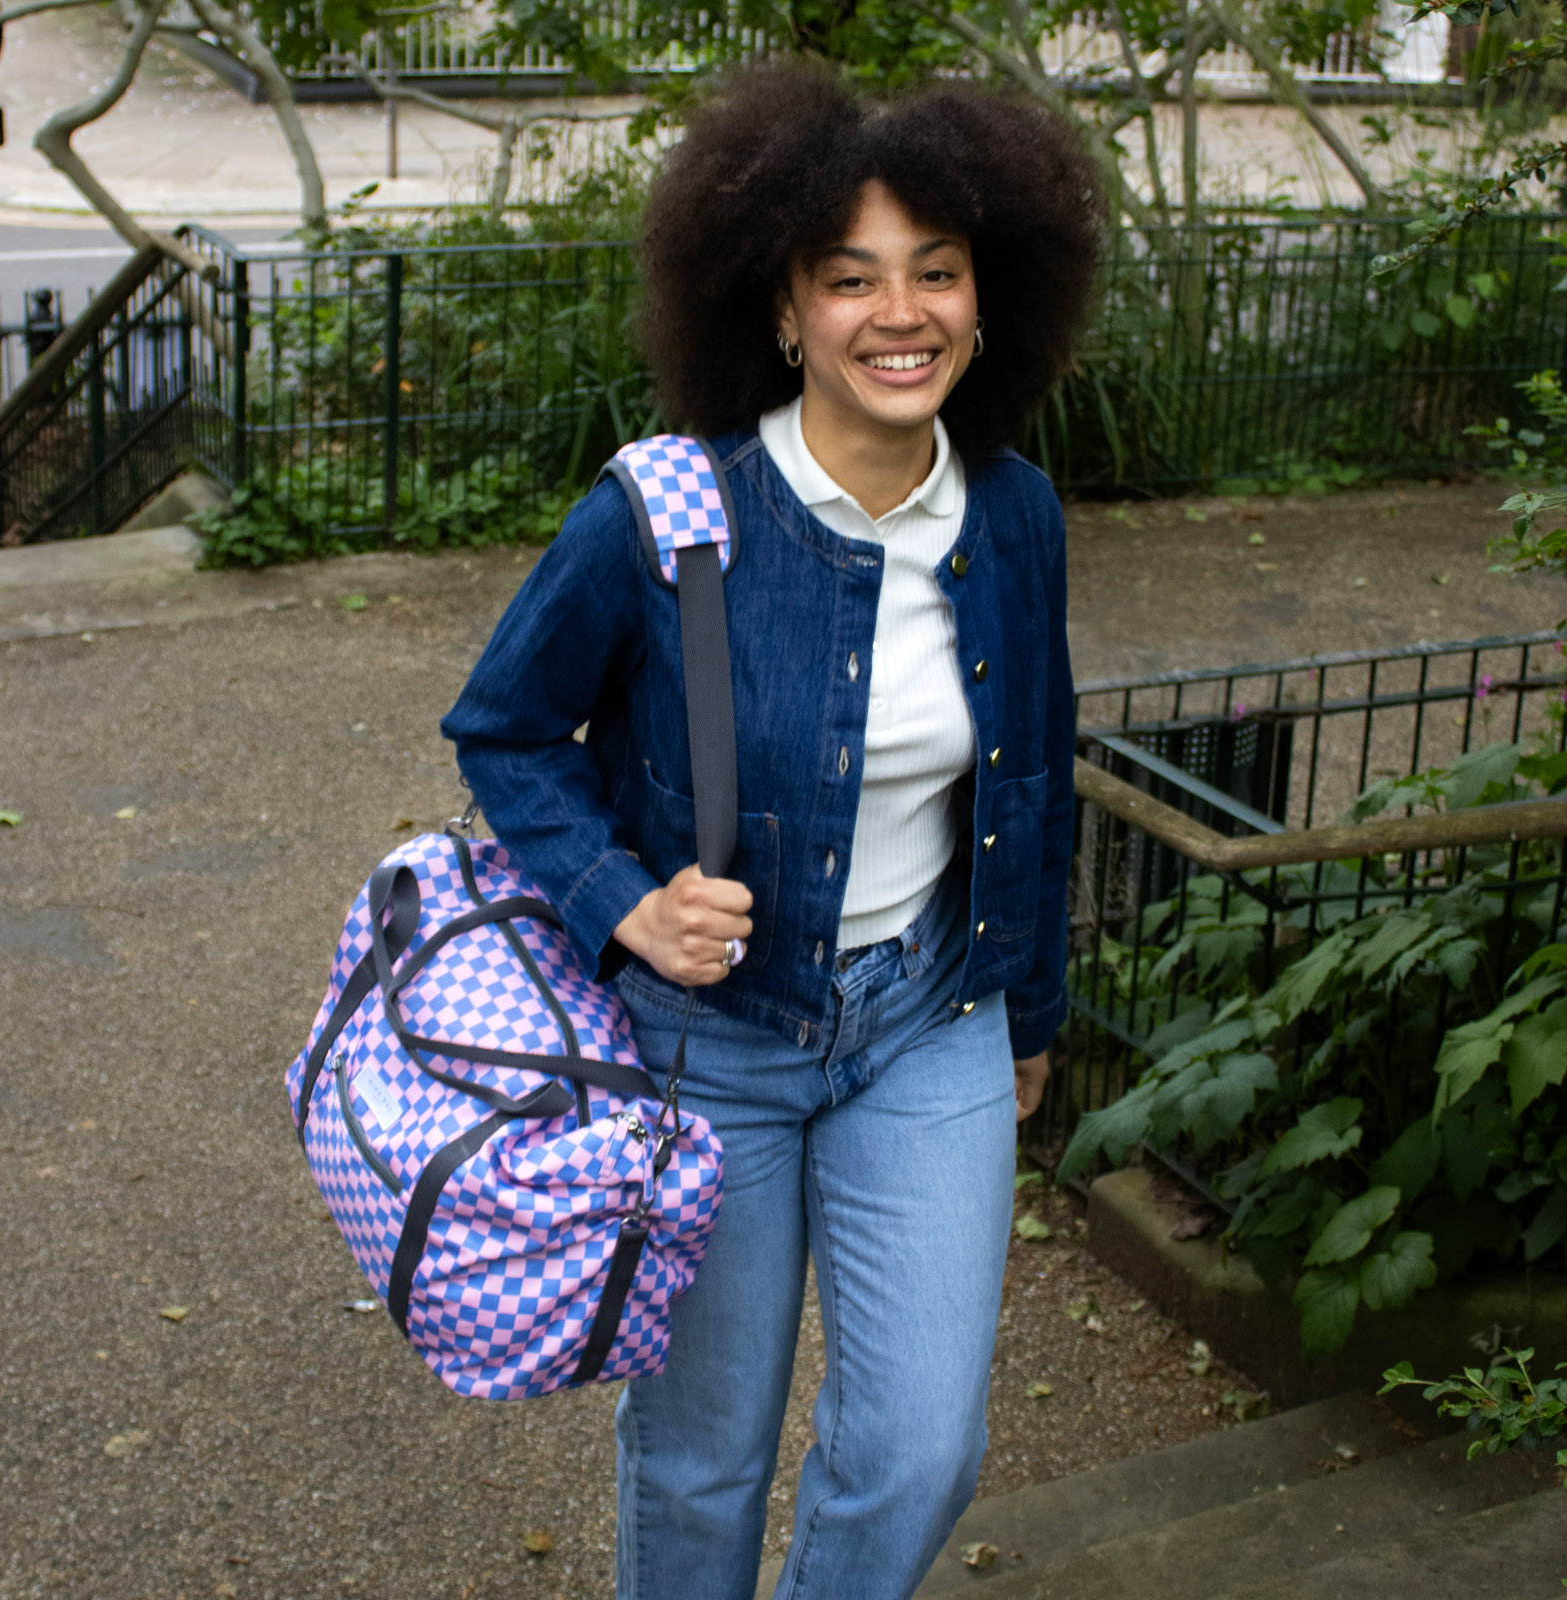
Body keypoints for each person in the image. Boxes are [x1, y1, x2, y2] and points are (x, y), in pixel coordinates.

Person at [442, 61, 1105, 1600]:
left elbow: (1033, 774)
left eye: (935, 272)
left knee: (923, 1445)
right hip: (706, 1044)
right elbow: (507, 729)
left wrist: (1033, 1011)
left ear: (988, 297)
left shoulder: (1014, 513)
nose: (900, 312)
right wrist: (621, 901)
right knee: (702, 1456)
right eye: (849, 277)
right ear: (784, 308)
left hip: (930, 1017)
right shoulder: (669, 515)